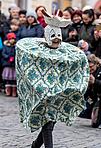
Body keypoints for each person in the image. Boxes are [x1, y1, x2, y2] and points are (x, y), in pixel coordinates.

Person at [16, 10, 89, 148]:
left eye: (59, 35)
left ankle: (35, 145)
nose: (56, 38)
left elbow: (77, 59)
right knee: (48, 123)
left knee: (50, 123)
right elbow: (24, 54)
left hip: (58, 94)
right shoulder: (38, 53)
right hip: (42, 93)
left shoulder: (65, 53)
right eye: (53, 35)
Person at [79, 54, 101, 128]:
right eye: (88, 67)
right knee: (94, 123)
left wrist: (95, 82)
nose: (89, 69)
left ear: (96, 64)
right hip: (96, 101)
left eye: (91, 67)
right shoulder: (89, 74)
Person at [2, 32, 17, 97]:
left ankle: (14, 91)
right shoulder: (5, 46)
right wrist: (8, 57)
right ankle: (8, 90)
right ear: (8, 39)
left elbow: (17, 53)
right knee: (8, 79)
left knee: (14, 79)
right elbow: (3, 53)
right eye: (11, 39)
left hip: (13, 65)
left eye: (13, 39)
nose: (12, 40)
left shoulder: (16, 46)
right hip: (7, 64)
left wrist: (14, 57)